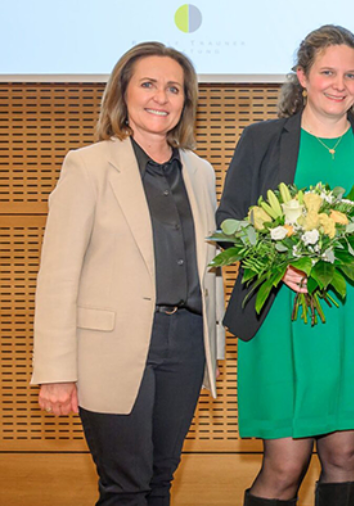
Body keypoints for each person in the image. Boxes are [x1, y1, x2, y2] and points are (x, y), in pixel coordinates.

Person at [216, 25, 354, 506]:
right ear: (302, 77)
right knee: (285, 466)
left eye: (350, 75)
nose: (340, 84)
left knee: (344, 459)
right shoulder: (263, 139)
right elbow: (229, 220)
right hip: (280, 316)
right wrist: (274, 262)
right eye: (328, 72)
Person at [31, 42, 225, 505]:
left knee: (160, 481)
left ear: (186, 100)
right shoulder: (88, 165)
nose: (161, 97)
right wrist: (57, 371)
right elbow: (58, 274)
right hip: (111, 348)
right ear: (123, 93)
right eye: (148, 84)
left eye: (174, 88)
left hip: (185, 343)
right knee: (125, 486)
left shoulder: (200, 172)